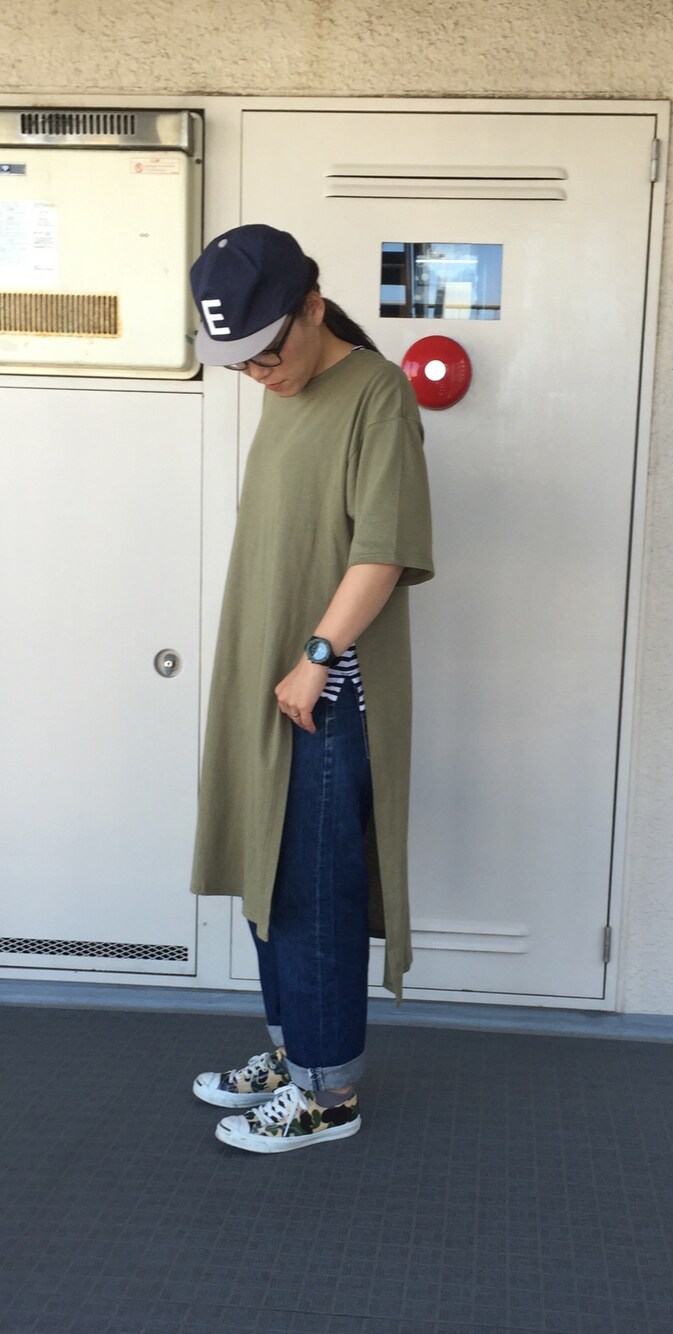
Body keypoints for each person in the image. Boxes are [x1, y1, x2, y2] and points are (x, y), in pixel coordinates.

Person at [186, 224, 433, 1153]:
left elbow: (383, 548)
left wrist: (317, 655)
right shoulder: (284, 393)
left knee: (313, 891)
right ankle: (294, 1055)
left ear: (313, 308)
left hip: (327, 689)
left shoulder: (377, 394)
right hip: (273, 675)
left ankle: (328, 1094)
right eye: (241, 363)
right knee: (269, 871)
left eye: (268, 352)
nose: (259, 374)